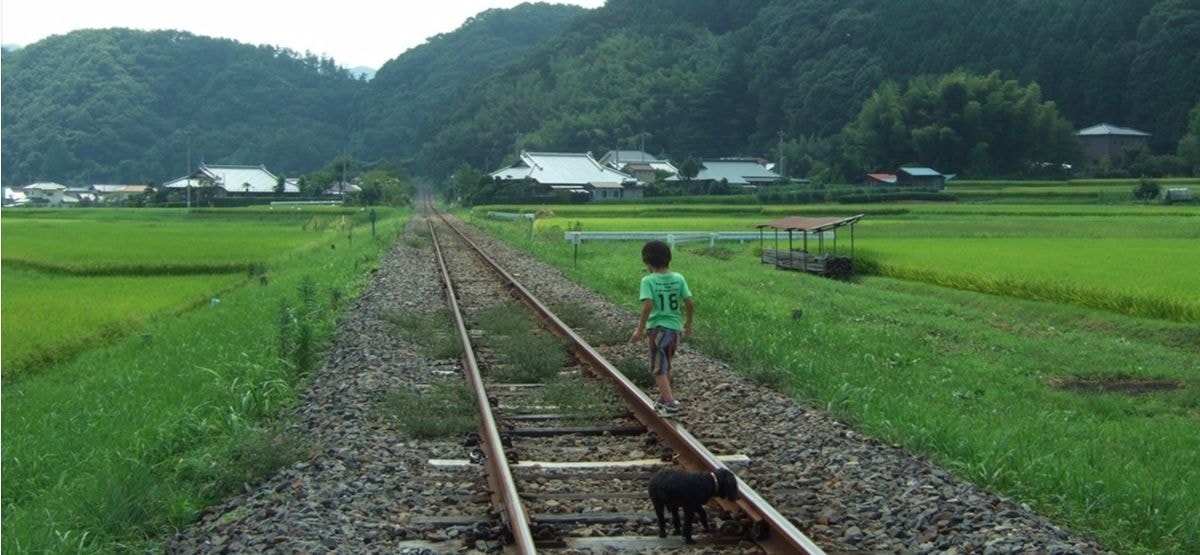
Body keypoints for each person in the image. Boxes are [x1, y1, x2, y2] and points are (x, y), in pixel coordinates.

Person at [630, 240, 694, 416]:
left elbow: (648, 305)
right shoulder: (679, 278)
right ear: (668, 259)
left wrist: (640, 329)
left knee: (658, 368)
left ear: (647, 261)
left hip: (658, 329)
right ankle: (664, 397)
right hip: (675, 329)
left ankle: (671, 404)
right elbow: (689, 301)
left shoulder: (648, 281)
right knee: (667, 364)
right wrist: (688, 323)